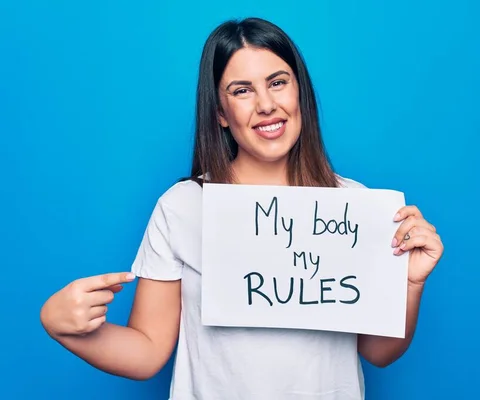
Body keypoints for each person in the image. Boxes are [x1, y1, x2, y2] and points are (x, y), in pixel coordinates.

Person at [40, 17, 444, 400]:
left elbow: (379, 352)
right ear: (219, 112)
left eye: (278, 82)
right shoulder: (183, 205)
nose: (266, 104)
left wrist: (409, 285)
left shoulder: (356, 205)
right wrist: (66, 328)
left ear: (298, 91)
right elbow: (146, 352)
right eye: (242, 90)